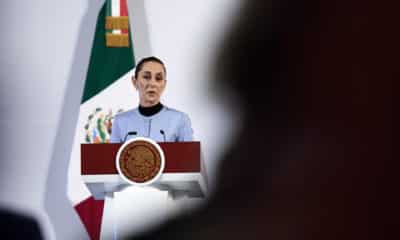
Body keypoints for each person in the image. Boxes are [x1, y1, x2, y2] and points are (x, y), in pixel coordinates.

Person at [110, 56, 193, 143]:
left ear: (164, 84)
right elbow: (112, 156)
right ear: (135, 82)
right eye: (146, 77)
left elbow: (189, 155)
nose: (153, 84)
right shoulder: (120, 121)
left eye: (158, 78)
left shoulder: (179, 120)